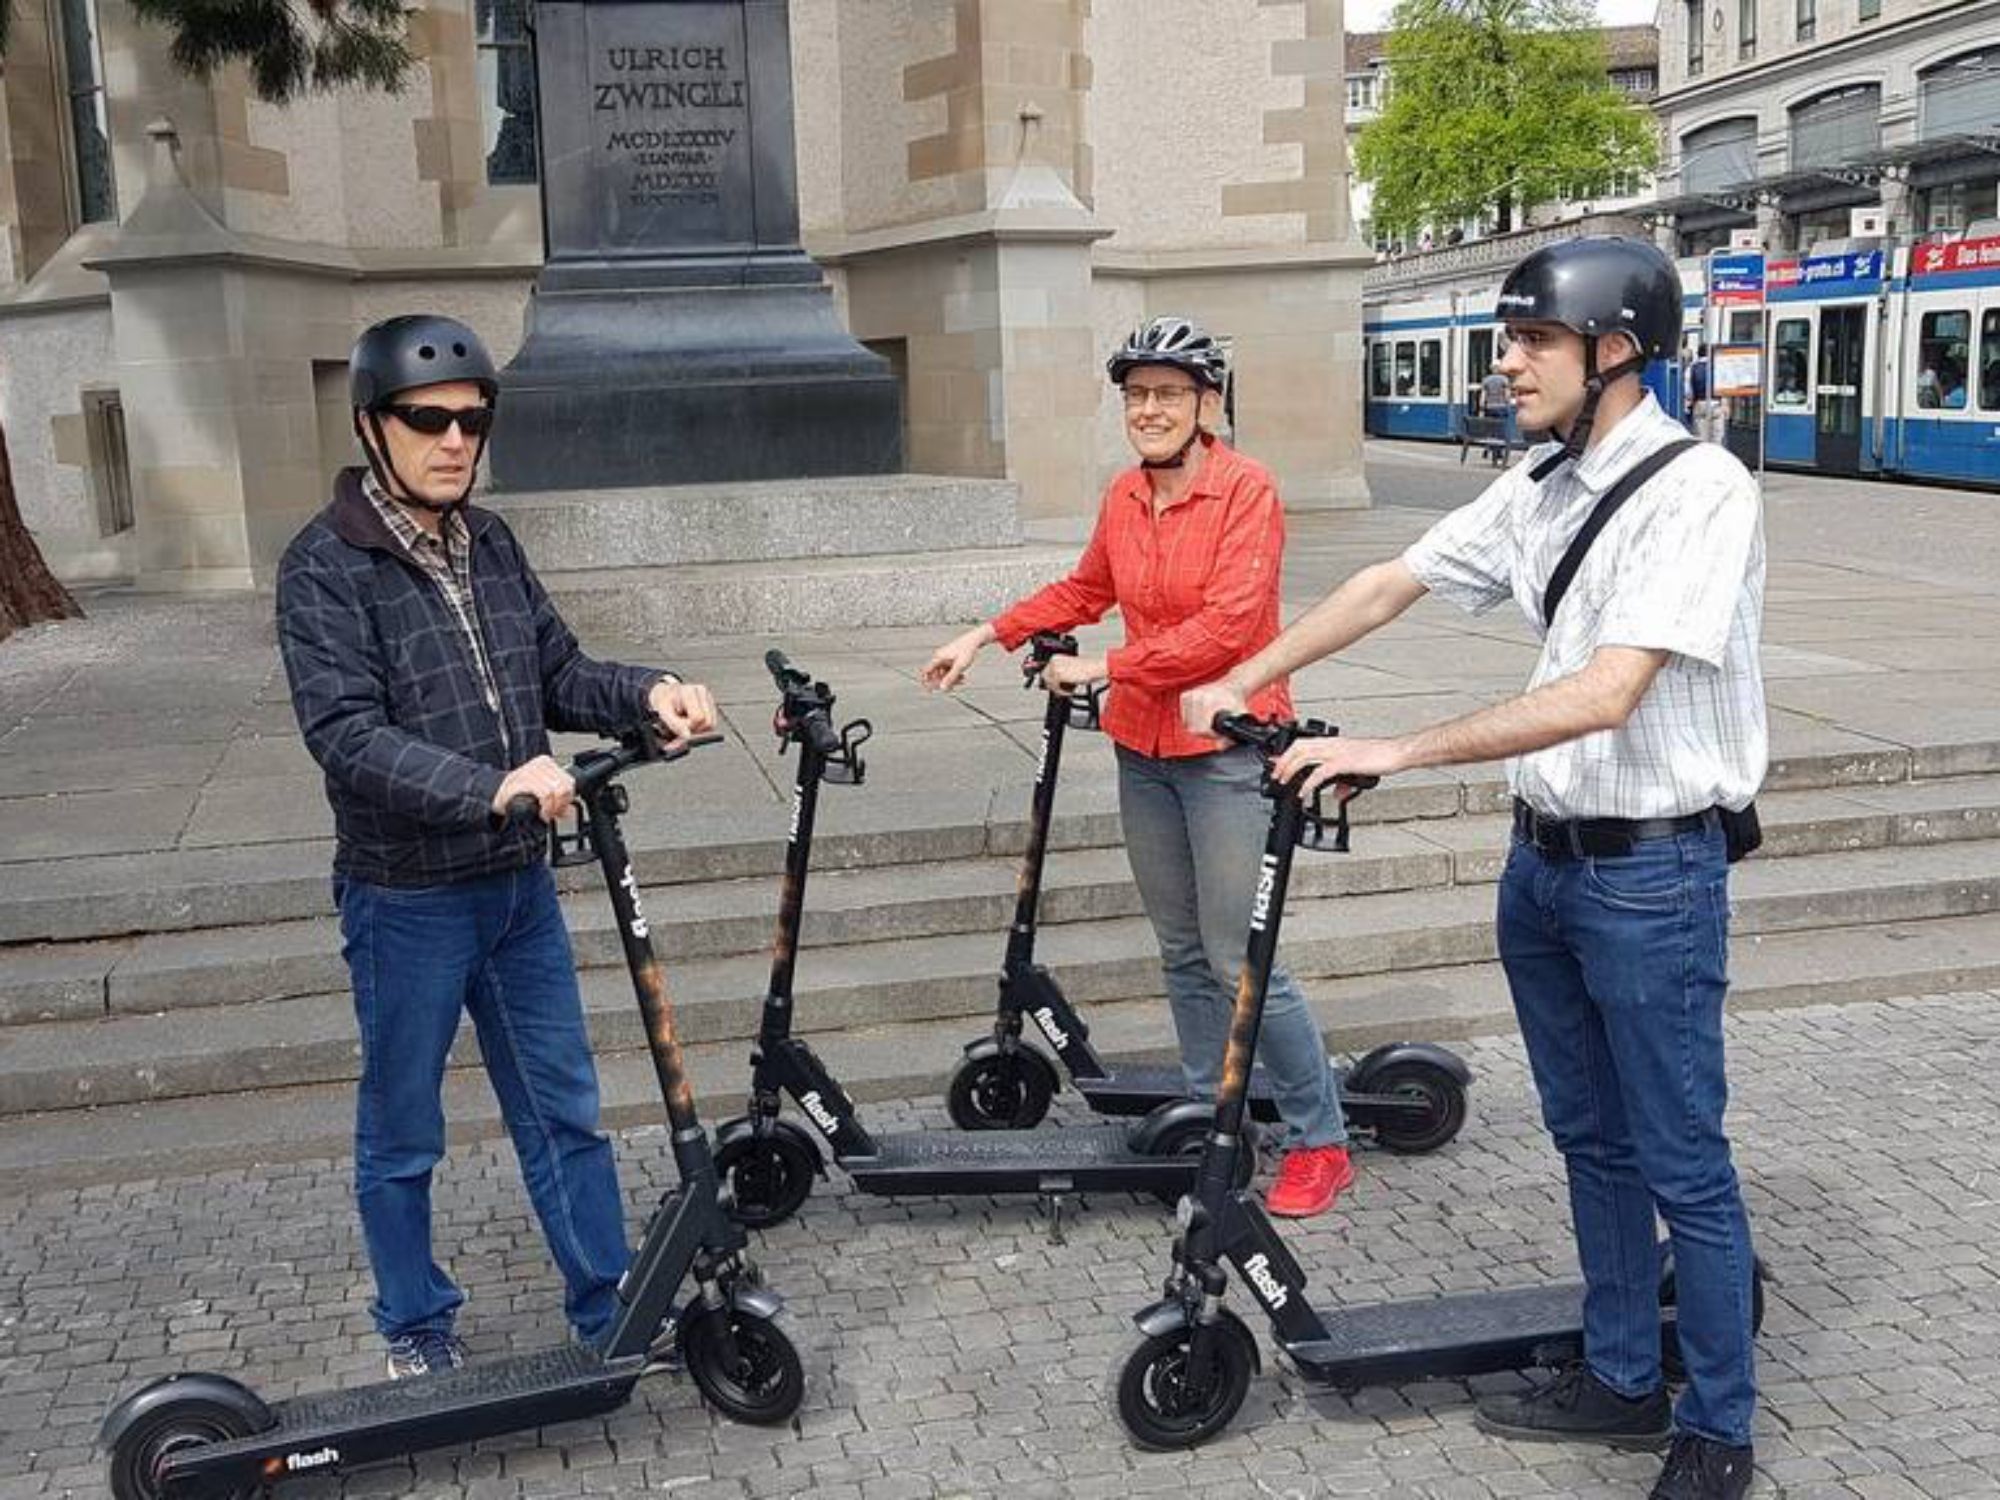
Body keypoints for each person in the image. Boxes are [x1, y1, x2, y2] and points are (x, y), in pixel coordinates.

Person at [1184, 238, 1765, 1500]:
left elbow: (1607, 691)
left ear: (1615, 351)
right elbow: (1389, 579)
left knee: (1679, 1158)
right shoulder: (1542, 481)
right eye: (1509, 341)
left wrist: (1394, 748)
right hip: (1542, 871)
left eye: (1533, 341)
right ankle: (1620, 1378)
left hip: (1650, 877)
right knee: (1588, 1140)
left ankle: (1717, 1425)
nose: (1506, 364)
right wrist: (1244, 674)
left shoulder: (1698, 490)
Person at [276, 315, 718, 1379]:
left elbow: (558, 672)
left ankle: (606, 1306)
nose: (453, 441)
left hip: (515, 892)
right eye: (426, 419)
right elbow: (346, 735)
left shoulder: (492, 543)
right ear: (371, 426)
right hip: (406, 900)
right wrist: (490, 788)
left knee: (564, 1111)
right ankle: (414, 1326)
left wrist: (649, 691)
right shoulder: (326, 565)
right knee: (403, 1131)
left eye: (471, 422)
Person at [922, 317, 1354, 1219]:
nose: (1149, 410)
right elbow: (1087, 588)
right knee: (1183, 951)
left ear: (1207, 404)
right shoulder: (1125, 494)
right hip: (1145, 749)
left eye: (1168, 394)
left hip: (1228, 752)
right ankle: (1207, 1119)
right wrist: (986, 633)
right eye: (1136, 395)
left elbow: (1228, 629)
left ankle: (1321, 1139)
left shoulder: (1247, 490)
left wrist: (1106, 666)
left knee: (1241, 957)